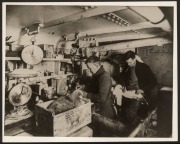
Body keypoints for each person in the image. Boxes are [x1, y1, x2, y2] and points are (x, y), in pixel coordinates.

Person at [78, 55, 115, 136]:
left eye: (90, 68)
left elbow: (101, 98)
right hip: (98, 109)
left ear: (97, 65)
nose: (89, 71)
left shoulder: (104, 77)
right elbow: (93, 88)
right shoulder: (97, 76)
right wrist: (84, 87)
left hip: (104, 113)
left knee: (102, 135)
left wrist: (86, 94)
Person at [117, 51, 157, 126]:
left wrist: (143, 89)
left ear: (134, 59)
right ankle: (128, 126)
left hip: (139, 94)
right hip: (128, 93)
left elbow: (153, 82)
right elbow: (121, 77)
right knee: (125, 111)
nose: (129, 64)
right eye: (127, 62)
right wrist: (123, 85)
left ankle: (133, 129)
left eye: (130, 62)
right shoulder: (127, 67)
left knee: (131, 113)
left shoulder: (144, 67)